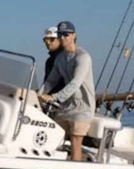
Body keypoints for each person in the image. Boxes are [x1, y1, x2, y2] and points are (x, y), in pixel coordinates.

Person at [38, 21, 96, 161]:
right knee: (53, 136)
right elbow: (51, 81)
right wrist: (38, 95)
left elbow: (75, 83)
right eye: (60, 35)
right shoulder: (60, 58)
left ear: (74, 35)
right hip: (66, 107)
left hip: (83, 107)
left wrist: (54, 97)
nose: (63, 38)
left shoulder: (83, 57)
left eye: (66, 35)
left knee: (75, 141)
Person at [41, 26, 65, 94]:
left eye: (52, 39)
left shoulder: (65, 59)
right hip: (49, 97)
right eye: (45, 40)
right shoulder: (49, 61)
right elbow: (47, 83)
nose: (48, 42)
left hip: (62, 98)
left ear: (60, 40)